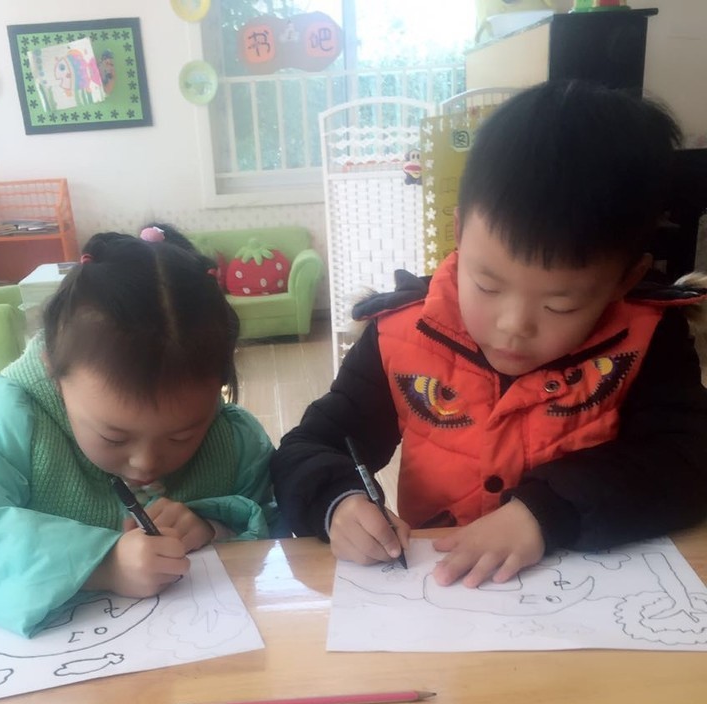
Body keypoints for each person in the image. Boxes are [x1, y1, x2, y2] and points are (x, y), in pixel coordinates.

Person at [272, 80, 707, 588]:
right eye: (487, 285)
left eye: (559, 305)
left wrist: (547, 511)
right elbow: (308, 446)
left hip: (587, 595)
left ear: (624, 281)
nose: (513, 325)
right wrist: (338, 502)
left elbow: (688, 463)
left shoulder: (647, 339)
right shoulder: (403, 334)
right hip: (441, 598)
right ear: (459, 234)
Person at [0, 231, 279, 636]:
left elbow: (277, 535)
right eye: (115, 437)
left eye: (181, 437)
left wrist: (215, 527)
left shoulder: (234, 439)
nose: (146, 463)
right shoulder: (9, 418)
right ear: (54, 371)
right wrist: (102, 564)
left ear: (218, 390)